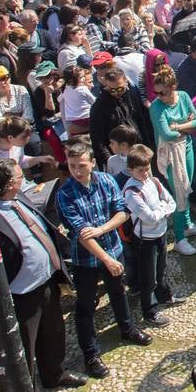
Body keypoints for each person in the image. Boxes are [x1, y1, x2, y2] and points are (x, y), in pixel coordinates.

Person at [0, 159, 86, 392]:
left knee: (52, 332)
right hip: (20, 294)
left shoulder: (18, 198)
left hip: (46, 281)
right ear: (8, 184)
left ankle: (55, 373)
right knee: (24, 347)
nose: (26, 181)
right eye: (21, 177)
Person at [56, 139, 153, 379]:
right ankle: (90, 353)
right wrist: (106, 259)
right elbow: (81, 234)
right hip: (86, 261)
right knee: (86, 306)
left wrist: (100, 230)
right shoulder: (65, 194)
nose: (77, 171)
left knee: (119, 293)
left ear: (92, 163)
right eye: (72, 166)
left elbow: (122, 212)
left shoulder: (107, 181)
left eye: (81, 165)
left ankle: (127, 328)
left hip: (113, 248)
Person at [149, 65, 196, 256]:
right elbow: (166, 134)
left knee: (186, 187)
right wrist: (186, 126)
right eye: (156, 93)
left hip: (187, 147)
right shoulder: (157, 107)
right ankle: (179, 238)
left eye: (163, 93)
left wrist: (178, 126)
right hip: (171, 154)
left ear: (173, 86)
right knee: (178, 193)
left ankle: (188, 224)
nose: (159, 97)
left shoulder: (183, 96)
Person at [121, 145, 182, 328]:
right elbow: (149, 218)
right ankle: (149, 310)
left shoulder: (153, 181)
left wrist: (160, 211)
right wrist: (163, 210)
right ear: (130, 170)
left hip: (160, 233)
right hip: (145, 240)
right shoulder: (131, 192)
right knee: (148, 277)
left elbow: (171, 202)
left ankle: (164, 295)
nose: (146, 173)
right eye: (141, 171)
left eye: (148, 168)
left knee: (161, 268)